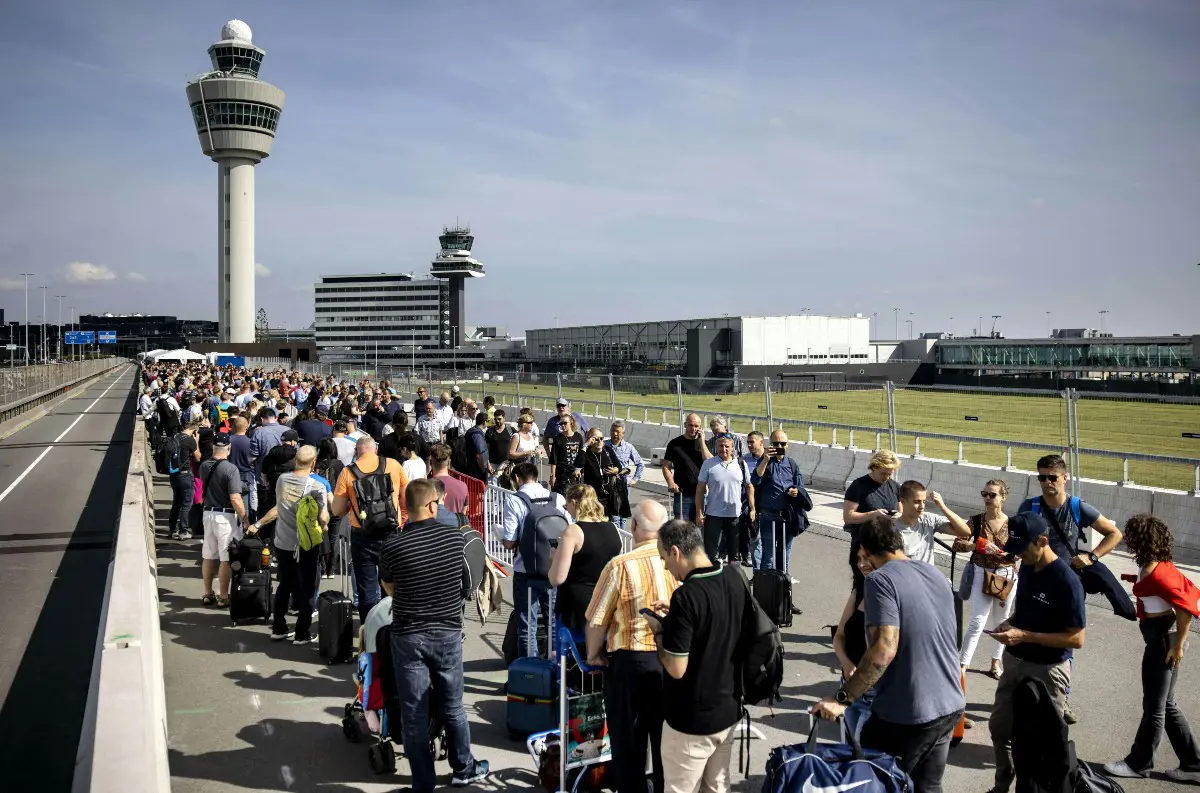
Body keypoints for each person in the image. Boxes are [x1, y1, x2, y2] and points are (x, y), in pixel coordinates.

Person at [812, 514, 964, 793]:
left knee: (874, 781)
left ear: (866, 552)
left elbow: (884, 649)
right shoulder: (934, 573)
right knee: (928, 786)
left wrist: (842, 698)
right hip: (950, 705)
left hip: (910, 713)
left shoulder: (879, 581)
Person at [379, 479, 490, 792]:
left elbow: (389, 588)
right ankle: (463, 768)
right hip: (447, 631)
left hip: (408, 633)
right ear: (432, 505)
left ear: (407, 509)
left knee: (413, 712)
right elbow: (467, 583)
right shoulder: (455, 540)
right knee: (453, 706)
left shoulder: (393, 546)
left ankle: (423, 782)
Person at [1017, 452, 1123, 723]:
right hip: (1033, 581)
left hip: (1067, 584)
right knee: (1029, 636)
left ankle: (1062, 699)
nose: (1046, 482)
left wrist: (1092, 556)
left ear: (1065, 478)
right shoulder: (1030, 506)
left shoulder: (1077, 506)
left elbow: (1115, 533)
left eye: (1052, 477)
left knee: (1066, 642)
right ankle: (1027, 695)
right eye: (1041, 477)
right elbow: (1016, 538)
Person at [985, 512, 1086, 793]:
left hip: (1048, 670)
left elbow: (1076, 639)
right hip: (1014, 662)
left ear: (1042, 541)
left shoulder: (1066, 582)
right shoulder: (1027, 566)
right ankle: (1001, 786)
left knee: (1045, 741)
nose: (1018, 557)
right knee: (1000, 729)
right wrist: (1011, 623)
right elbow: (1026, 609)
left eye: (1022, 550)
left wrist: (1024, 635)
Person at [585, 500, 677, 793]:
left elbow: (597, 620)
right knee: (666, 744)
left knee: (629, 745)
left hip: (631, 661)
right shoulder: (677, 562)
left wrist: (593, 654)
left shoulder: (620, 565)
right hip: (671, 661)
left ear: (634, 526)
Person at [648, 519, 746, 793]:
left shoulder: (686, 596)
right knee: (717, 787)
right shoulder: (733, 577)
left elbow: (676, 668)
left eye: (664, 558)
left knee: (681, 788)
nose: (666, 566)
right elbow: (717, 620)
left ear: (676, 552)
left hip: (691, 719)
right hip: (728, 709)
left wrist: (659, 634)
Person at [1102, 515, 1200, 782]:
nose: (1127, 539)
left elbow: (1187, 608)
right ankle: (1193, 764)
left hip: (1162, 643)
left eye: (1130, 535)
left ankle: (1138, 764)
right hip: (1163, 638)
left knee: (1154, 708)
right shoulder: (1157, 566)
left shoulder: (1155, 573)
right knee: (1166, 706)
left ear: (1140, 540)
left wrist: (1178, 646)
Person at [252, 445, 330, 644]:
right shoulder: (317, 486)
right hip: (306, 543)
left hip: (283, 541)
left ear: (296, 460)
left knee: (284, 585)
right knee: (307, 587)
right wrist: (325, 523)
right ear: (313, 463)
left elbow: (279, 506)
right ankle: (302, 632)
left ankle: (278, 627)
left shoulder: (282, 480)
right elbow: (323, 516)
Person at [332, 436, 409, 622]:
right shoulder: (393, 465)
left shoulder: (347, 473)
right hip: (392, 531)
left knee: (366, 588)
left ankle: (369, 632)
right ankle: (390, 628)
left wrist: (352, 504)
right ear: (375, 449)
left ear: (357, 452)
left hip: (362, 534)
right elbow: (405, 500)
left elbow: (336, 509)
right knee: (390, 585)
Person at [501, 462, 569, 658]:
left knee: (527, 625)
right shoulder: (556, 498)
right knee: (554, 623)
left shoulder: (515, 501)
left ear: (516, 478)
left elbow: (509, 542)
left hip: (526, 571)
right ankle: (556, 671)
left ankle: (531, 674)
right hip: (554, 569)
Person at [955, 479, 1019, 679]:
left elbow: (1021, 552)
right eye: (985, 494)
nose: (988, 499)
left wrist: (1005, 554)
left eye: (992, 495)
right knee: (977, 622)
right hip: (980, 573)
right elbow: (958, 543)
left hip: (1005, 576)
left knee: (1001, 622)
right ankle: (962, 666)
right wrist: (976, 546)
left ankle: (995, 663)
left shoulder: (1014, 524)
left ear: (1003, 497)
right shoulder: (975, 521)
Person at [549, 484, 622, 634]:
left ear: (574, 503)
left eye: (566, 505)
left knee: (572, 650)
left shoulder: (573, 531)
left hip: (579, 606)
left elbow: (557, 578)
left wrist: (555, 558)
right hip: (607, 603)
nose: (566, 509)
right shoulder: (613, 528)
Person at [197, 433, 250, 609]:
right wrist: (244, 518)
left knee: (208, 555)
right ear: (229, 448)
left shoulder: (204, 466)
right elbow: (235, 498)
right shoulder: (230, 469)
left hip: (207, 514)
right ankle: (223, 596)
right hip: (224, 516)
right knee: (225, 558)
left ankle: (207, 593)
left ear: (213, 447)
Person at [832, 539, 877, 741]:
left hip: (875, 694)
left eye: (866, 557)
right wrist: (846, 663)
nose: (861, 564)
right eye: (858, 559)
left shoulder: (892, 596)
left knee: (864, 757)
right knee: (850, 750)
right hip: (849, 686)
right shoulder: (859, 590)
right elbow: (839, 635)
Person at [751, 430, 811, 579]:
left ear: (787, 445)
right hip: (768, 516)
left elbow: (800, 486)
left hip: (787, 517)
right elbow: (755, 480)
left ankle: (782, 591)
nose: (779, 446)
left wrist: (795, 491)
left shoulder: (792, 464)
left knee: (784, 554)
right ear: (769, 444)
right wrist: (765, 459)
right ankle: (764, 591)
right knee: (768, 555)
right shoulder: (765, 461)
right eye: (775, 443)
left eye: (782, 443)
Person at [695, 435, 751, 564]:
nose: (724, 449)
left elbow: (749, 486)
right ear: (716, 447)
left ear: (732, 448)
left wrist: (752, 508)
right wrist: (699, 512)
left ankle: (733, 581)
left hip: (734, 516)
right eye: (720, 446)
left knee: (734, 555)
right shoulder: (708, 464)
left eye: (727, 446)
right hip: (713, 515)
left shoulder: (741, 464)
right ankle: (712, 580)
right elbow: (700, 489)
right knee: (711, 553)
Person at [892, 480, 971, 565]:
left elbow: (965, 532)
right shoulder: (892, 529)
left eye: (924, 501)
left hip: (928, 576)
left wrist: (942, 507)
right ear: (903, 501)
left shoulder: (929, 519)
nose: (922, 506)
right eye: (917, 502)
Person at [662, 413, 711, 522]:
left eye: (696, 426)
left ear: (700, 428)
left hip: (702, 493)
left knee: (699, 528)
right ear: (685, 424)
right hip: (682, 494)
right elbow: (666, 466)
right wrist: (671, 482)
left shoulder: (705, 444)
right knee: (682, 528)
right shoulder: (674, 444)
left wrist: (702, 441)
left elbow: (710, 462)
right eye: (690, 425)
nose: (693, 429)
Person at [580, 427, 630, 526]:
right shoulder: (586, 453)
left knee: (608, 523)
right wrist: (585, 445)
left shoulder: (607, 449)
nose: (599, 441)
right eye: (595, 438)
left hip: (609, 496)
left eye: (601, 438)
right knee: (594, 523)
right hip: (593, 496)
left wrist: (616, 470)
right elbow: (578, 464)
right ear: (590, 439)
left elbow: (618, 466)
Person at [604, 420, 644, 530]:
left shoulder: (628, 447)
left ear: (623, 433)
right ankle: (617, 540)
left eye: (617, 431)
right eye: (613, 431)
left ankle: (623, 539)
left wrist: (634, 479)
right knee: (614, 516)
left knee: (623, 516)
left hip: (623, 485)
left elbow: (640, 464)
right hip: (609, 485)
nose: (615, 434)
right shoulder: (604, 445)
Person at [168, 419, 201, 540]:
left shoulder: (175, 437)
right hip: (185, 475)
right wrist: (196, 442)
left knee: (176, 502)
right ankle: (183, 530)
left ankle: (172, 529)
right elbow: (198, 458)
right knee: (187, 504)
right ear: (194, 431)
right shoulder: (190, 440)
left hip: (174, 474)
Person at [548, 414, 584, 496]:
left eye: (565, 423)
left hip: (575, 473)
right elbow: (554, 459)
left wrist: (580, 469)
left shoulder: (578, 437)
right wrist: (553, 476)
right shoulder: (558, 438)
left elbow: (582, 455)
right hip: (561, 474)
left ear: (571, 423)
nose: (563, 425)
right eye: (561, 424)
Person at [429, 444, 469, 514]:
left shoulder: (423, 487)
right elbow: (464, 515)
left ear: (430, 462)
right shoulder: (463, 486)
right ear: (449, 462)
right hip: (456, 525)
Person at [460, 412, 491, 483]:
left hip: (475, 468)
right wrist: (483, 470)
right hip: (477, 470)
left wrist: (488, 465)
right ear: (484, 422)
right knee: (478, 492)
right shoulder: (477, 435)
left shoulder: (472, 431)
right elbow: (478, 455)